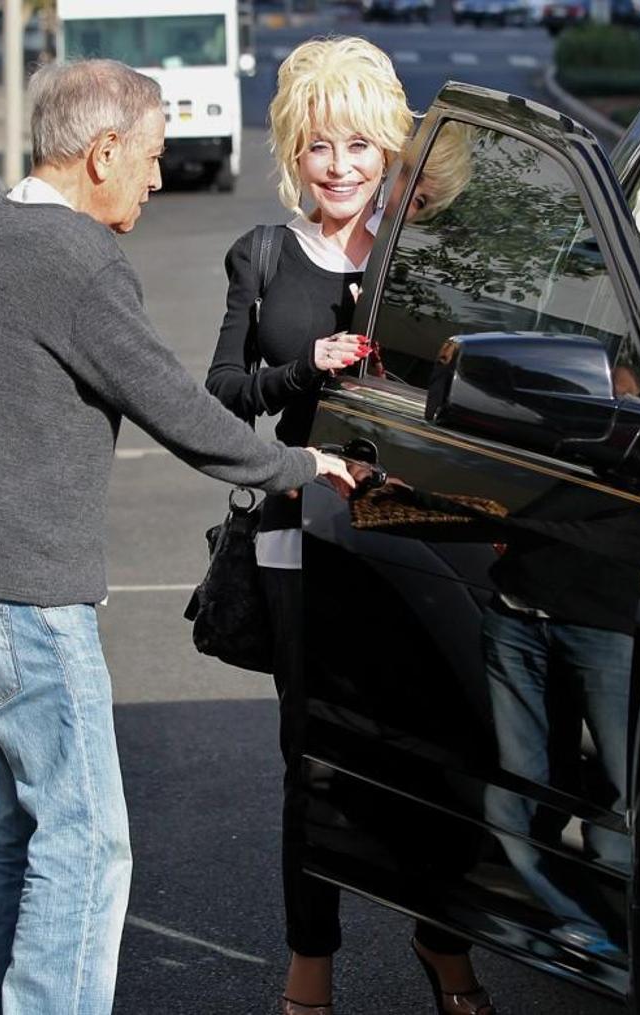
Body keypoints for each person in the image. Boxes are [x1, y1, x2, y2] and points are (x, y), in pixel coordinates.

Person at [0, 58, 353, 1015]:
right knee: (88, 844)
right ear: (101, 153)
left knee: (22, 836)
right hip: (33, 599)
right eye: (147, 158)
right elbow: (181, 411)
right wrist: (301, 467)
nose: (154, 178)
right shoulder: (77, 259)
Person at [206, 36, 495, 1015]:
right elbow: (221, 398)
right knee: (313, 759)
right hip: (301, 538)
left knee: (443, 751)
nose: (338, 166)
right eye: (320, 146)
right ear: (293, 151)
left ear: (388, 153)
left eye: (359, 146)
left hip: (419, 536)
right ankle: (309, 981)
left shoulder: (418, 260)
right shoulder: (263, 256)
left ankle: (444, 949)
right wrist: (306, 369)